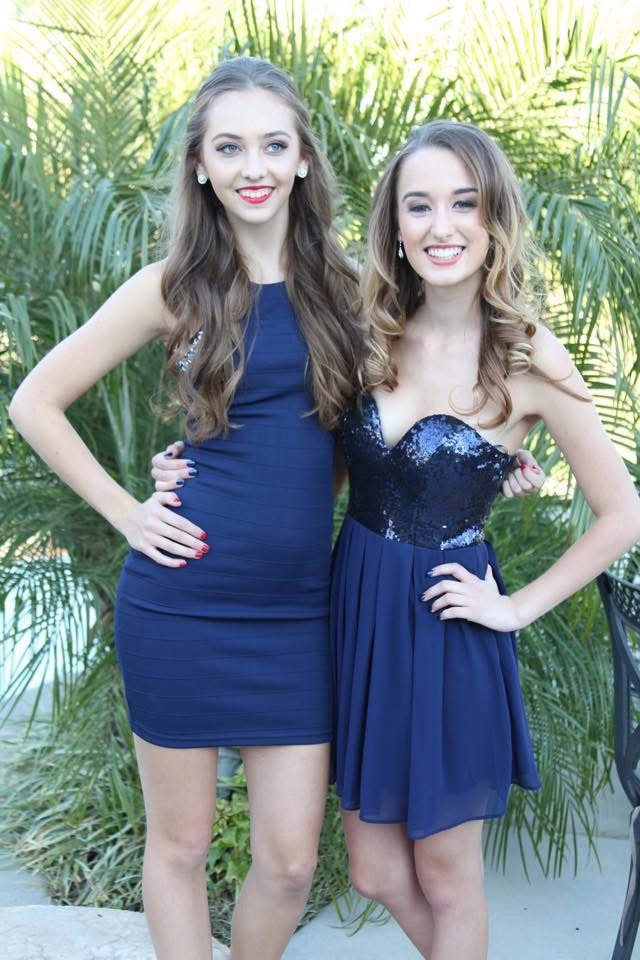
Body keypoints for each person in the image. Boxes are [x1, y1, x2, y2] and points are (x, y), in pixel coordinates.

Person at [8, 56, 365, 960]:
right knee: (181, 847)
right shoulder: (172, 286)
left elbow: (383, 423)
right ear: (201, 165)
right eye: (230, 147)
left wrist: (499, 453)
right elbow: (34, 402)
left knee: (290, 864)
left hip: (298, 614)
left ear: (303, 159)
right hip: (181, 601)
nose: (254, 166)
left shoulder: (350, 289)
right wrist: (129, 512)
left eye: (273, 145)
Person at [325, 120, 640, 960]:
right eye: (419, 205)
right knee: (372, 870)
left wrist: (516, 609)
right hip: (361, 613)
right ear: (394, 224)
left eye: (464, 204)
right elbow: (330, 472)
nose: (443, 226)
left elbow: (623, 512)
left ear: (495, 219)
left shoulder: (526, 355)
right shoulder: (368, 335)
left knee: (445, 874)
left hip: (450, 619)